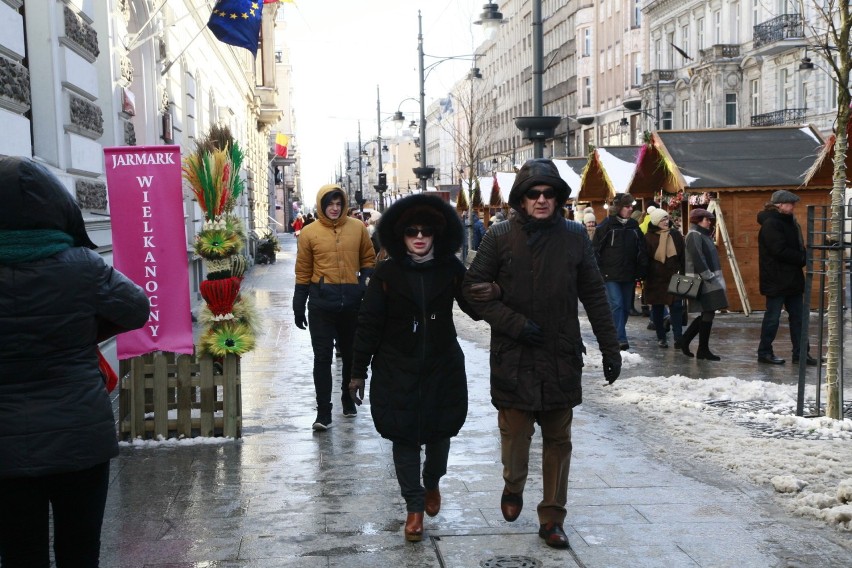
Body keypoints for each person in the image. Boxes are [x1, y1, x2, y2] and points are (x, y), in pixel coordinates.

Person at [462, 158, 622, 550]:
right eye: (533, 193)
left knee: (558, 438)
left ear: (558, 198)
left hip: (559, 353)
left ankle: (552, 516)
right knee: (515, 435)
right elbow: (473, 290)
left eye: (549, 193)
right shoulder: (499, 235)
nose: (541, 200)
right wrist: (514, 323)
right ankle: (513, 484)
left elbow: (595, 295)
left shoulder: (574, 236)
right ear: (521, 198)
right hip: (514, 354)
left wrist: (610, 346)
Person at [0, 156, 150, 566]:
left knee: (18, 554)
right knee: (80, 551)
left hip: (6, 446)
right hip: (80, 437)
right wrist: (87, 328)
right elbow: (136, 309)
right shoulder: (82, 266)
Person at [349, 194, 492, 543]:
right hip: (397, 366)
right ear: (401, 235)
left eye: (426, 231)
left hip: (442, 364)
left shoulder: (451, 269)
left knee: (440, 434)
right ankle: (413, 507)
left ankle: (433, 481)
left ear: (436, 235)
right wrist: (357, 371)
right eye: (412, 230)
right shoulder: (386, 272)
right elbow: (368, 324)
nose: (419, 237)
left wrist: (492, 290)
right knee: (404, 436)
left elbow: (474, 309)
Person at [293, 184, 376, 430]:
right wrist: (299, 305)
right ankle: (323, 412)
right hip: (321, 304)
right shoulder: (309, 233)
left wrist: (361, 286)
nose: (334, 208)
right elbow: (303, 271)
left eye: (338, 204)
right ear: (322, 205)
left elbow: (369, 260)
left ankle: (348, 399)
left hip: (351, 303)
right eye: (330, 204)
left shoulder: (357, 228)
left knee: (351, 355)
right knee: (322, 358)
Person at [756, 190, 815, 365]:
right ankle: (764, 352)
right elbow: (779, 250)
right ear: (779, 205)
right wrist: (802, 258)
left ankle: (801, 354)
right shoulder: (771, 223)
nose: (793, 206)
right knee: (773, 318)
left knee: (799, 318)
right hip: (776, 279)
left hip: (791, 279)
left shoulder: (788, 221)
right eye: (790, 203)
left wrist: (802, 256)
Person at [591, 193, 648, 350]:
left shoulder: (633, 227)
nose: (630, 209)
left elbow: (641, 249)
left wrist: (641, 268)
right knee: (616, 304)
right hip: (610, 274)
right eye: (627, 206)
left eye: (631, 206)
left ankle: (615, 332)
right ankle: (620, 338)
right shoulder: (606, 226)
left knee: (624, 307)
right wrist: (597, 270)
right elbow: (595, 249)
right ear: (618, 208)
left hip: (629, 273)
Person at [679, 208, 728, 360]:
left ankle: (694, 345)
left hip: (707, 279)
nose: (709, 222)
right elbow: (697, 258)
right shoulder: (694, 235)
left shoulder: (702, 235)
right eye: (706, 219)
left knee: (709, 311)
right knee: (709, 310)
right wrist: (709, 275)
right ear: (698, 220)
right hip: (702, 280)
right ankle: (697, 346)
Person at [643, 208, 685, 348]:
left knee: (677, 307)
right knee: (658, 308)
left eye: (667, 218)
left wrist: (684, 272)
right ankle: (661, 337)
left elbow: (683, 255)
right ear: (655, 221)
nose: (666, 222)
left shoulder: (675, 235)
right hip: (656, 278)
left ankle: (678, 337)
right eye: (662, 219)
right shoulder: (648, 237)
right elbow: (645, 258)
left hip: (674, 275)